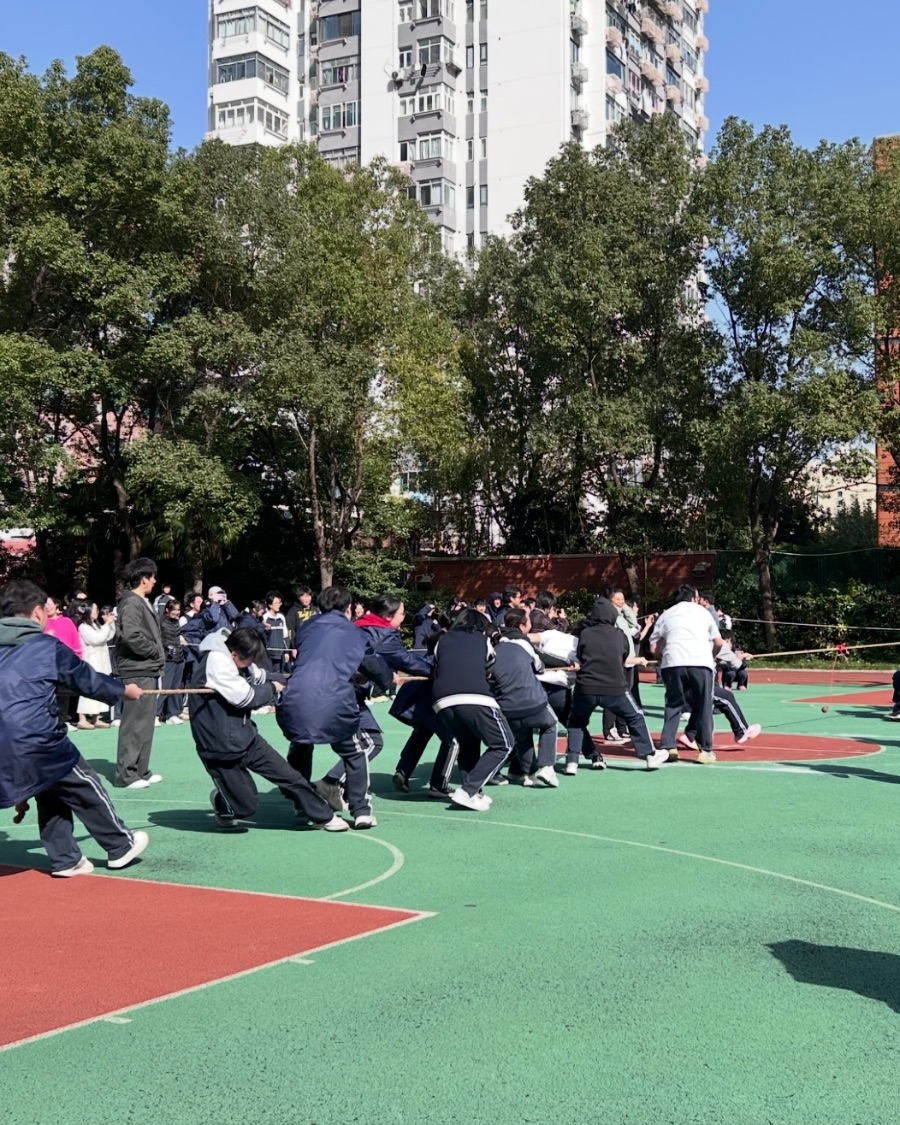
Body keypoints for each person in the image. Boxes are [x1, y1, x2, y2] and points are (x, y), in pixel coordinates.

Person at [0, 579, 149, 876]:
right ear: (38, 612)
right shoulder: (46, 646)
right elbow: (85, 679)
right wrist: (123, 691)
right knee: (84, 784)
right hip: (37, 738)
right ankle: (120, 844)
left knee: (48, 786)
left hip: (9, 741)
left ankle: (66, 858)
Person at [187, 627, 345, 832]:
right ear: (234, 654)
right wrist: (272, 688)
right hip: (219, 747)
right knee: (246, 805)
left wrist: (291, 679)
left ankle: (324, 817)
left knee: (291, 777)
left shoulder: (237, 658)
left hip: (246, 737)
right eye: (249, 659)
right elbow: (246, 698)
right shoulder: (217, 661)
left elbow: (260, 676)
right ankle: (223, 800)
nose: (251, 663)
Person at [277, 587, 392, 830]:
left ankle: (301, 803)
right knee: (355, 751)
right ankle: (361, 810)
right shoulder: (354, 632)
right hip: (334, 699)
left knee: (301, 744)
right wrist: (388, 682)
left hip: (295, 696)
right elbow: (373, 664)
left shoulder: (307, 627)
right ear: (348, 608)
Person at [563, 599, 666, 774]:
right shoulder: (619, 635)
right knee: (635, 716)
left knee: (576, 721)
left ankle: (572, 761)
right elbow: (624, 658)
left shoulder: (585, 634)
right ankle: (649, 755)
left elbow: (580, 655)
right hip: (614, 688)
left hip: (586, 687)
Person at [431, 608, 516, 812]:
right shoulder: (482, 640)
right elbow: (490, 664)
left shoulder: (441, 640)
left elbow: (436, 664)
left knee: (468, 742)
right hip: (474, 696)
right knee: (504, 744)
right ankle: (467, 790)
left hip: (441, 700)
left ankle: (473, 791)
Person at [649, 585, 723, 765]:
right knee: (704, 705)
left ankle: (668, 746)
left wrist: (663, 655)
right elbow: (718, 642)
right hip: (701, 662)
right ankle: (705, 750)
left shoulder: (666, 614)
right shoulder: (703, 613)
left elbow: (653, 647)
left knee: (673, 704)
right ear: (694, 597)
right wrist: (711, 656)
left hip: (673, 662)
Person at [492, 608, 561, 788]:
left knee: (522, 736)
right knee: (550, 724)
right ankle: (547, 767)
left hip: (505, 704)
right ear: (523, 626)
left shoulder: (495, 646)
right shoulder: (523, 643)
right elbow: (539, 666)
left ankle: (526, 773)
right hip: (530, 699)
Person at [114, 557, 165, 789]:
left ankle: (141, 770)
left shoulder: (142, 601)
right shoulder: (132, 602)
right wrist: (154, 650)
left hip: (147, 669)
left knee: (145, 723)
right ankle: (126, 774)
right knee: (134, 723)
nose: (155, 581)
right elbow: (131, 635)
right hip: (136, 669)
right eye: (152, 577)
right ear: (144, 579)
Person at [677, 686, 762, 751]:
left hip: (683, 684)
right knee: (726, 697)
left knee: (704, 704)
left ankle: (691, 736)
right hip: (688, 685)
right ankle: (741, 732)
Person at [74, 602, 116, 729]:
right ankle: (82, 719)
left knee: (99, 689)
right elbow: (97, 639)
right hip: (91, 662)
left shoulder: (95, 625)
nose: (97, 612)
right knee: (87, 690)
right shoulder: (83, 627)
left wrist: (111, 623)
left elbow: (108, 636)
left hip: (101, 661)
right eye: (95, 609)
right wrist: (107, 624)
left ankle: (96, 718)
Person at [44, 595, 82, 729]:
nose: (47, 607)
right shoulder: (42, 622)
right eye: (45, 604)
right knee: (49, 694)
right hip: (48, 663)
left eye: (49, 604)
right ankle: (50, 721)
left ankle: (63, 720)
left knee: (65, 694)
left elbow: (75, 640)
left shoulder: (67, 621)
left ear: (56, 605)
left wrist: (78, 657)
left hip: (66, 662)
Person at [158, 600, 187, 724]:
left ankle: (172, 714)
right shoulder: (161, 622)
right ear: (167, 610)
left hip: (179, 657)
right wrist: (168, 646)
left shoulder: (177, 622)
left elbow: (176, 637)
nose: (177, 612)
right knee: (165, 687)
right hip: (167, 658)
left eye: (178, 610)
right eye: (174, 610)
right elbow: (159, 639)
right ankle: (156, 714)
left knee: (176, 687)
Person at [286, 585, 318, 660]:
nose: (306, 599)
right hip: (300, 646)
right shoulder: (293, 611)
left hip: (315, 645)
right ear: (298, 597)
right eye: (303, 596)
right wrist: (293, 647)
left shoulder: (315, 610)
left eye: (308, 596)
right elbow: (290, 630)